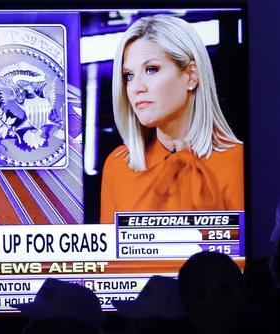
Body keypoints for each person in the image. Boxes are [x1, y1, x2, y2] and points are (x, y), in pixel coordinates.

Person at [100, 15, 244, 222]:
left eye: (151, 69)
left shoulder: (237, 161)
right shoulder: (119, 165)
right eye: (128, 75)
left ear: (191, 75)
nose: (137, 87)